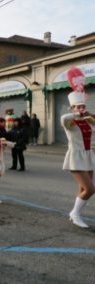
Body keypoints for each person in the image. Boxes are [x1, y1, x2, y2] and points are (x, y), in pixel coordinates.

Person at [61, 67, 95, 228]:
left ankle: (75, 213)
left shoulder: (88, 121)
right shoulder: (70, 122)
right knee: (90, 189)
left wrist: (90, 116)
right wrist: (78, 114)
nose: (81, 109)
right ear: (72, 108)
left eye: (83, 106)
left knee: (83, 188)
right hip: (75, 157)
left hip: (88, 156)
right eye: (78, 107)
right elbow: (64, 118)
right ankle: (75, 213)